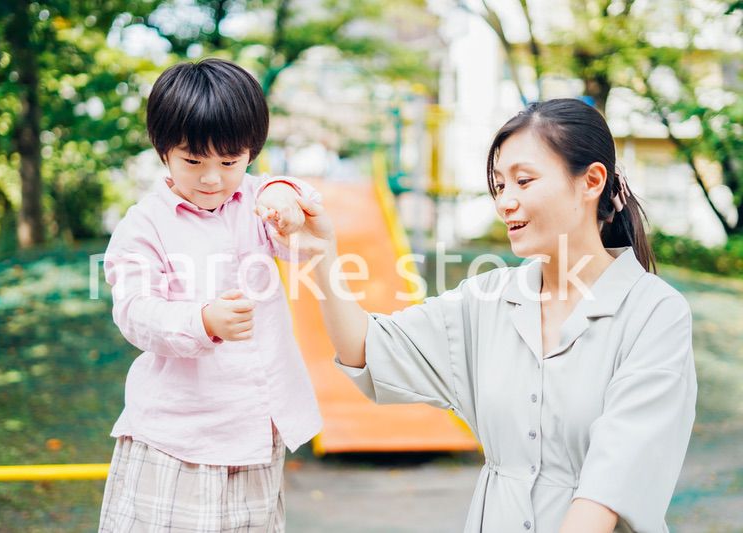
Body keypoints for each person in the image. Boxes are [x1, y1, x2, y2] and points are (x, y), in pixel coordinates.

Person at [289, 98, 697, 532]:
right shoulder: (487, 299)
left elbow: (610, 484)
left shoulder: (655, 313)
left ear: (591, 181)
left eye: (524, 181)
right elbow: (366, 348)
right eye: (500, 186)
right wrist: (322, 257)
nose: (506, 202)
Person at [98, 57, 322, 532]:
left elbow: (305, 247)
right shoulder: (145, 225)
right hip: (177, 436)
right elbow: (135, 311)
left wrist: (288, 198)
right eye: (194, 161)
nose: (213, 178)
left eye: (230, 161)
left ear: (251, 153)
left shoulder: (259, 201)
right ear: (164, 152)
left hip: (256, 428)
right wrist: (200, 322)